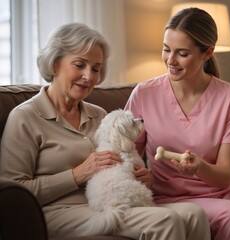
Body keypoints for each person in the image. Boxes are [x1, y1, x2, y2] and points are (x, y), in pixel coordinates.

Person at [0, 22, 211, 240]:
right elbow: (13, 193)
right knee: (166, 220)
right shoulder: (25, 117)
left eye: (96, 69)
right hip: (58, 212)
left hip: (109, 202)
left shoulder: (99, 115)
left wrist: (143, 178)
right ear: (54, 64)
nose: (89, 76)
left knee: (195, 214)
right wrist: (76, 174)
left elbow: (122, 162)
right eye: (79, 65)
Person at [124, 8, 230, 240]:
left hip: (224, 190)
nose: (170, 60)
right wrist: (140, 176)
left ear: (207, 53)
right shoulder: (144, 94)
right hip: (169, 196)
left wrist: (198, 166)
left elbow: (225, 175)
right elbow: (129, 154)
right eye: (166, 49)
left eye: (182, 53)